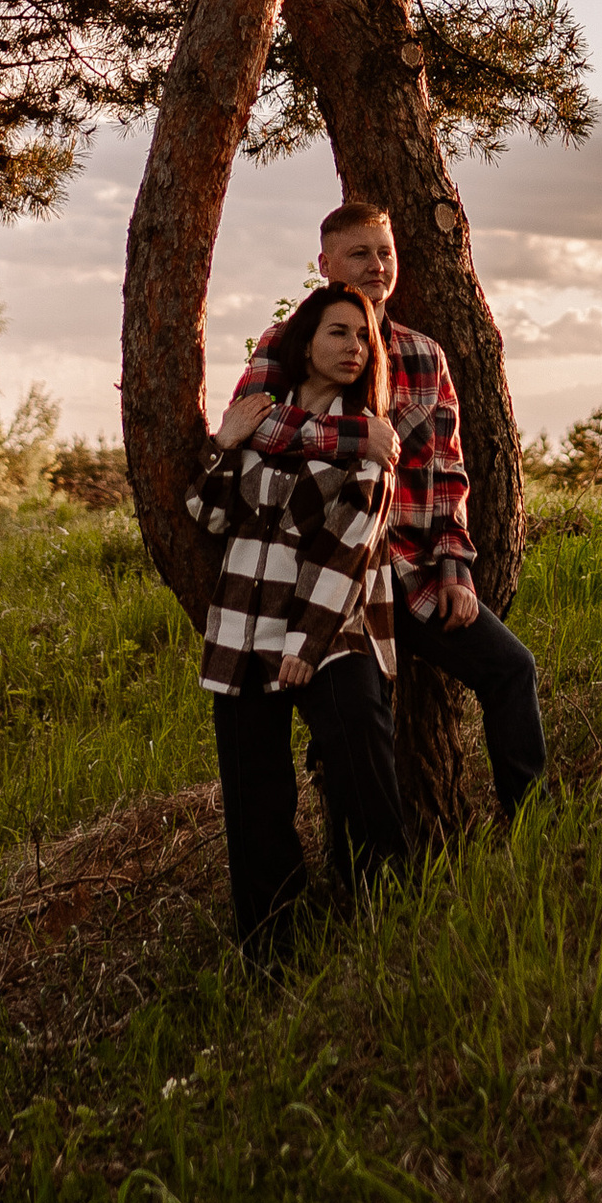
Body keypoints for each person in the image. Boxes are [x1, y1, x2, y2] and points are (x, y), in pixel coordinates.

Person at [225, 200, 547, 824]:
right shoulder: (288, 341)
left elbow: (444, 471)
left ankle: (534, 828)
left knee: (512, 668)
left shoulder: (424, 356)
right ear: (324, 265)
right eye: (359, 254)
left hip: (408, 569)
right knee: (358, 722)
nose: (377, 266)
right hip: (327, 576)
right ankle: (369, 879)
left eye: (385, 251)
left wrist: (454, 565)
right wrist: (353, 439)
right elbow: (251, 426)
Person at [189, 280, 410, 960]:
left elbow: (351, 545)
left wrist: (305, 644)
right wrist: (224, 443)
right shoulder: (260, 419)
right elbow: (211, 514)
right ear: (306, 343)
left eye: (363, 336)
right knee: (256, 800)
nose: (353, 346)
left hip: (329, 631)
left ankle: (390, 920)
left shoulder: (369, 439)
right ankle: (269, 948)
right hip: (241, 629)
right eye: (338, 332)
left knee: (361, 769)